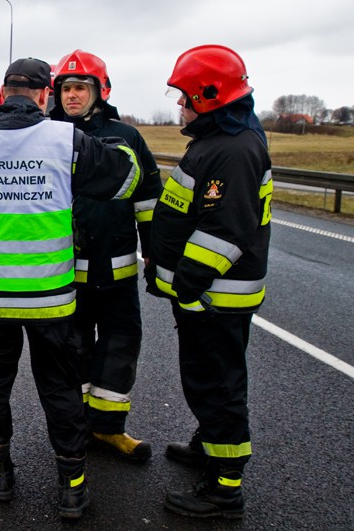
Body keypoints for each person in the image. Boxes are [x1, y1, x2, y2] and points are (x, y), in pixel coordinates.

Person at [0, 57, 141, 520]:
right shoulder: (65, 139)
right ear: (46, 95)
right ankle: (71, 488)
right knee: (61, 390)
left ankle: (0, 475)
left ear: (2, 92)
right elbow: (127, 179)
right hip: (52, 299)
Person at [145, 44, 272, 519]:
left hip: (215, 294)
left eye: (185, 96)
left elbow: (225, 231)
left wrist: (185, 282)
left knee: (217, 385)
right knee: (206, 379)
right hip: (206, 294)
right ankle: (208, 443)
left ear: (210, 95)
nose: (180, 104)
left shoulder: (234, 150)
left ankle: (224, 489)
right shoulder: (220, 141)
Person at [49, 50, 163, 463]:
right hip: (64, 271)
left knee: (121, 344)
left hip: (117, 270)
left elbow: (149, 200)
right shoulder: (45, 135)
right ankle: (76, 426)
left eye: (81, 87)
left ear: (101, 91)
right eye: (66, 87)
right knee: (72, 349)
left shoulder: (126, 136)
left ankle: (109, 428)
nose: (72, 95)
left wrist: (153, 251)